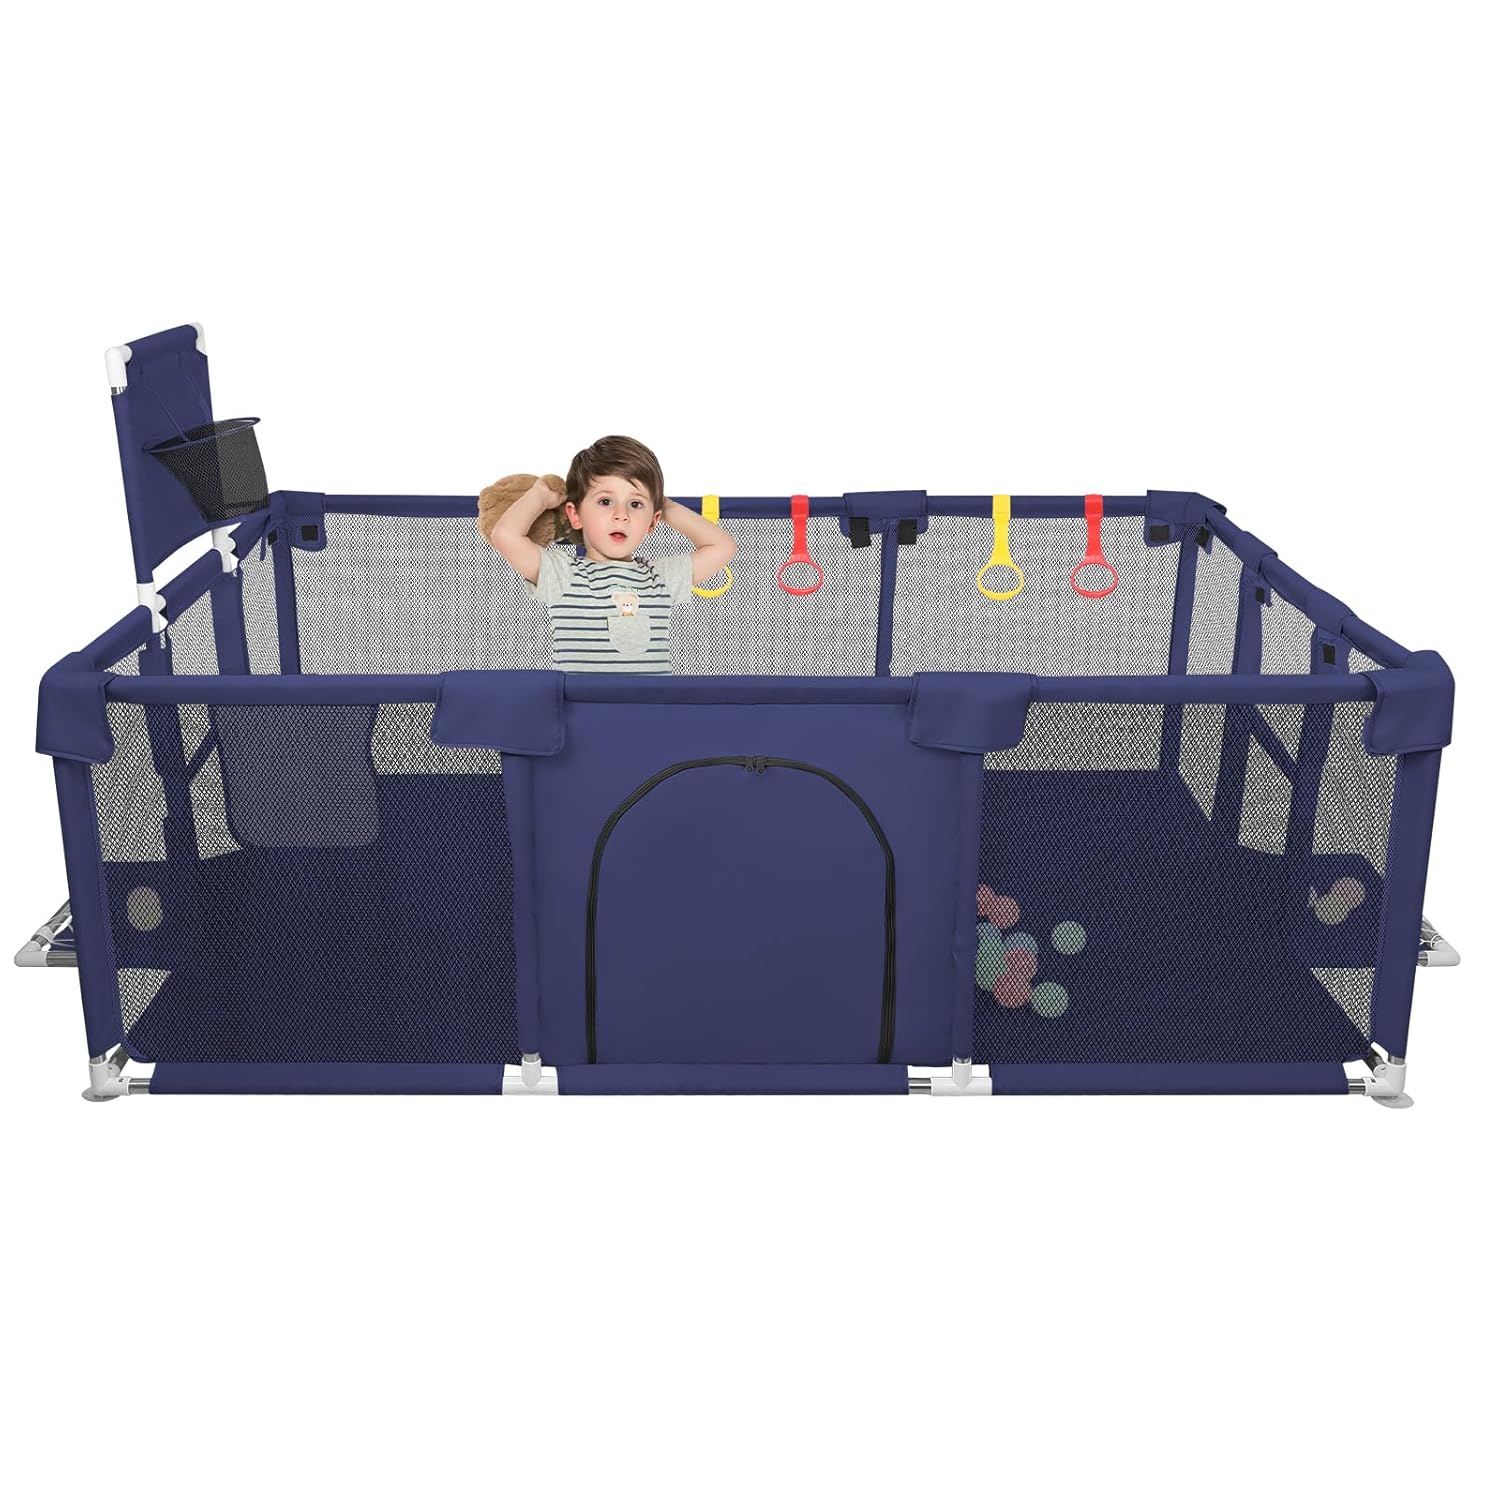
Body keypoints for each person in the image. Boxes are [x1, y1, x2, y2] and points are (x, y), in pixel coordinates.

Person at [487, 435, 735, 673]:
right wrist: (540, 497)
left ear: (652, 521)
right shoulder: (562, 573)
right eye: (605, 501)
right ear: (575, 515)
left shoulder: (660, 578)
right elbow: (505, 536)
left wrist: (663, 505)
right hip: (582, 703)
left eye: (635, 504)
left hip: (650, 703)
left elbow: (723, 547)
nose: (621, 515)